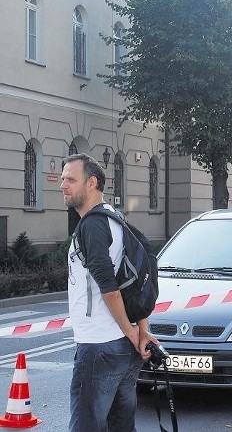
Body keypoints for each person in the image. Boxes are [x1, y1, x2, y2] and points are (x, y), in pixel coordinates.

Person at [61, 153, 157, 431]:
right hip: (123, 348)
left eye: (71, 179)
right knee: (121, 426)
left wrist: (132, 331)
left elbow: (110, 289)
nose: (63, 185)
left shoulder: (92, 225)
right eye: (63, 178)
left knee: (86, 426)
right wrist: (140, 331)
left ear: (91, 183)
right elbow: (138, 281)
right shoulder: (116, 219)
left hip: (99, 345)